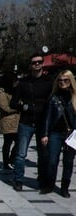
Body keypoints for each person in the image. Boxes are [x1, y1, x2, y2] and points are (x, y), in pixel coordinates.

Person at [10, 53, 53, 192]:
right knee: (21, 154)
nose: (37, 65)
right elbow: (13, 103)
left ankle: (42, 179)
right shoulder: (24, 83)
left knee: (43, 154)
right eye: (34, 62)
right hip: (26, 122)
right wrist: (24, 107)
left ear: (42, 64)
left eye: (39, 62)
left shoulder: (48, 82)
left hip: (43, 123)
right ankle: (18, 179)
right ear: (30, 65)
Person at [42, 69, 76, 198]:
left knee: (68, 161)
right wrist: (45, 134)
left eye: (65, 80)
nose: (62, 83)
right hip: (55, 132)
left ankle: (64, 187)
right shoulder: (54, 97)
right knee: (52, 160)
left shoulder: (74, 97)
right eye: (60, 80)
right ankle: (50, 184)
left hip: (71, 134)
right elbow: (47, 117)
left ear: (71, 81)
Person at [0, 73, 20, 171]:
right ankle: (7, 162)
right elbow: (5, 108)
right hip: (7, 121)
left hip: (15, 121)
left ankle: (10, 160)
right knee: (8, 142)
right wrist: (19, 108)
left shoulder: (12, 91)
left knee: (18, 142)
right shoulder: (1, 94)